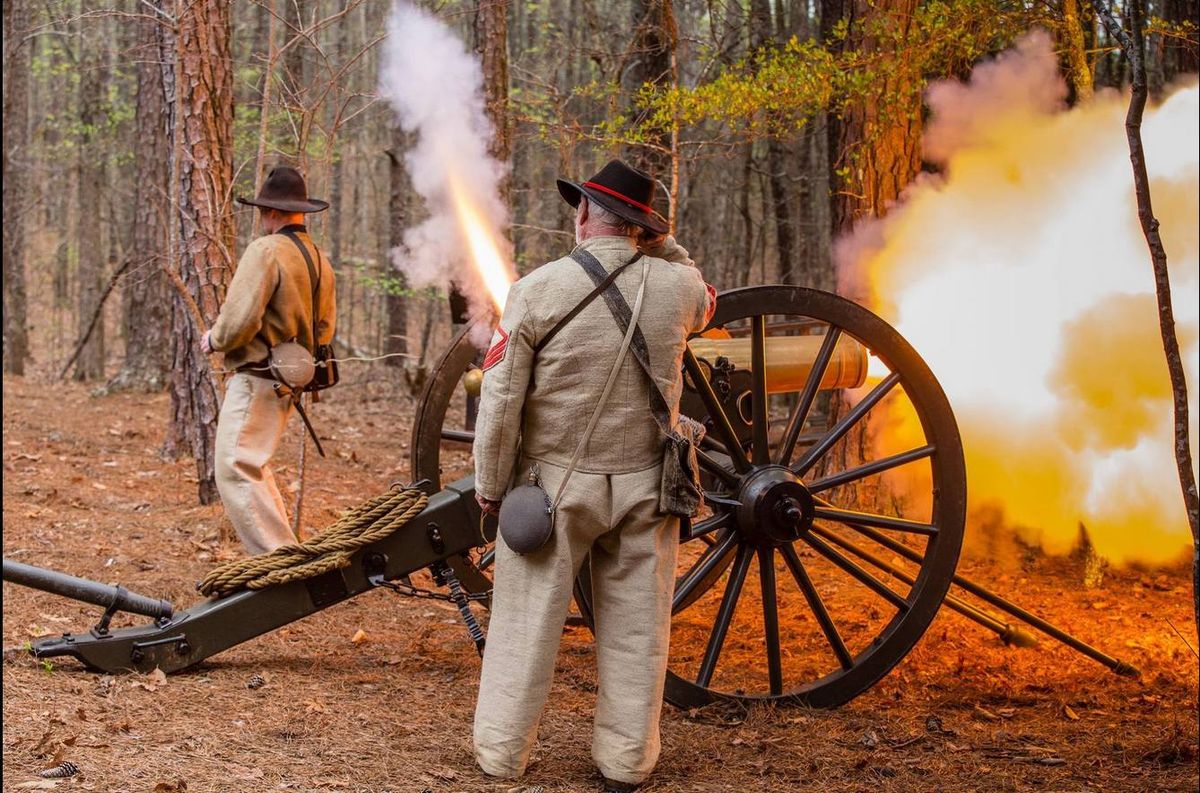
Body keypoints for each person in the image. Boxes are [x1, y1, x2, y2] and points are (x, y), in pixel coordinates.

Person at [472, 159, 716, 792]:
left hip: (555, 488)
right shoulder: (678, 288)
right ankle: (626, 762)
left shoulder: (534, 290)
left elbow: (500, 401)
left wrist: (492, 488)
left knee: (526, 627)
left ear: (582, 213)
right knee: (638, 632)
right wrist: (662, 244)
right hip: (646, 485)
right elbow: (706, 297)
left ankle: (502, 754)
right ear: (642, 227)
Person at [201, 165, 336, 555]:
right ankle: (284, 554)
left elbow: (241, 318)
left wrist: (216, 339)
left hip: (258, 376)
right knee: (252, 466)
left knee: (234, 466)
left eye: (263, 211)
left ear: (273, 213)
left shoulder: (266, 250)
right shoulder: (318, 258)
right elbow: (325, 328)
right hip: (289, 378)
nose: (262, 218)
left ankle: (276, 564)